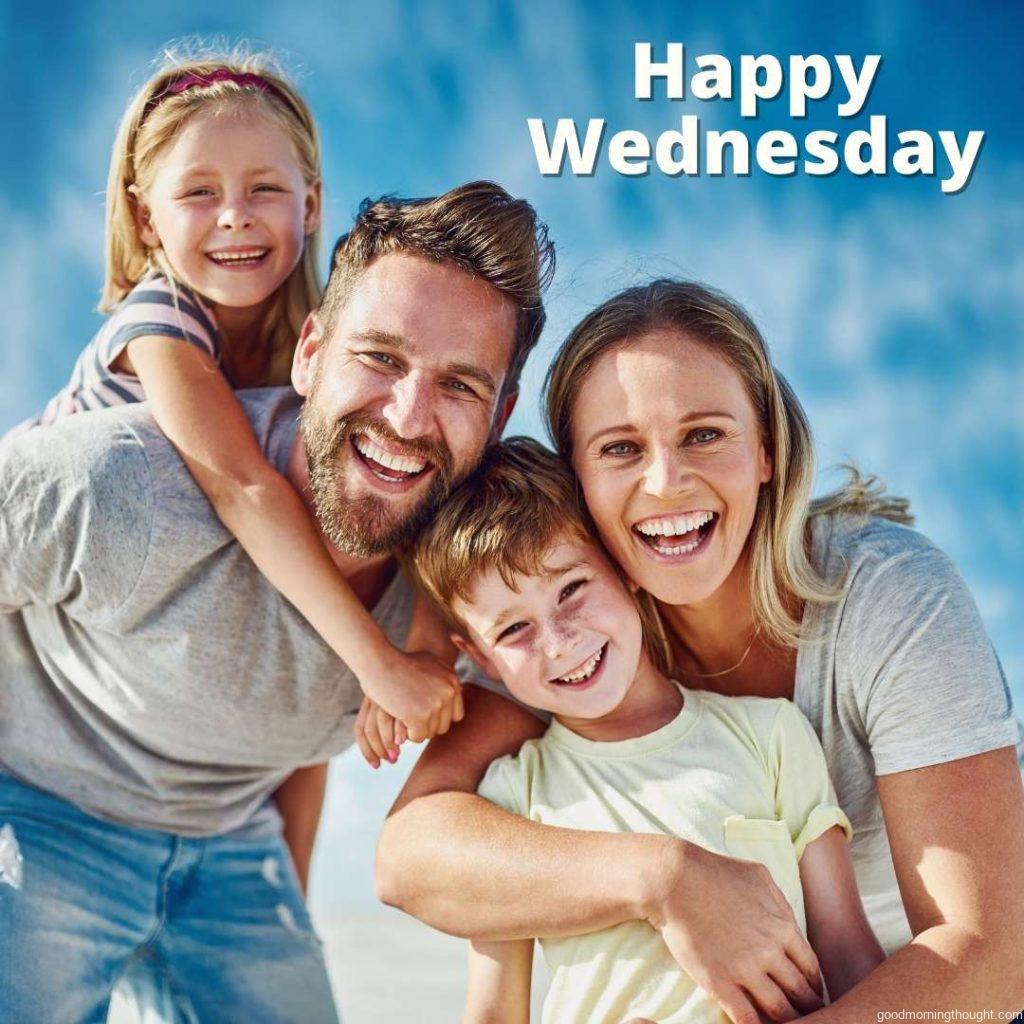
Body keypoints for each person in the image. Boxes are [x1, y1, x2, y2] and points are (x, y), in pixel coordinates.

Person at [374, 280, 1024, 1022]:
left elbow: (992, 965)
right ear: (580, 486)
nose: (665, 482)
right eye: (620, 448)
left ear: (768, 451)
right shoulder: (565, 654)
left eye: (704, 434)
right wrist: (666, 876)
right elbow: (408, 858)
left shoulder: (888, 601)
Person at [0, 180, 554, 1022]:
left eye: (460, 387)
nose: (408, 417)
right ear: (309, 353)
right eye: (380, 358)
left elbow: (291, 730)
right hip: (38, 817)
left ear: (501, 412)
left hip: (233, 853)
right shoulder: (118, 484)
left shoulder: (472, 596)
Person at [13, 45, 464, 803]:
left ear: (311, 203)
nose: (235, 215)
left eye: (264, 187)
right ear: (142, 216)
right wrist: (380, 665)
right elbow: (241, 485)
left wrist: (426, 640)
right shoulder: (158, 320)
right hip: (45, 607)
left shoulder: (314, 350)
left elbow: (413, 485)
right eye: (198, 191)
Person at [407, 437, 884, 1022]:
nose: (559, 642)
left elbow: (849, 956)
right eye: (512, 631)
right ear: (479, 659)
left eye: (572, 589)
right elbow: (494, 1013)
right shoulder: (509, 800)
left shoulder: (773, 736)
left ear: (624, 568)